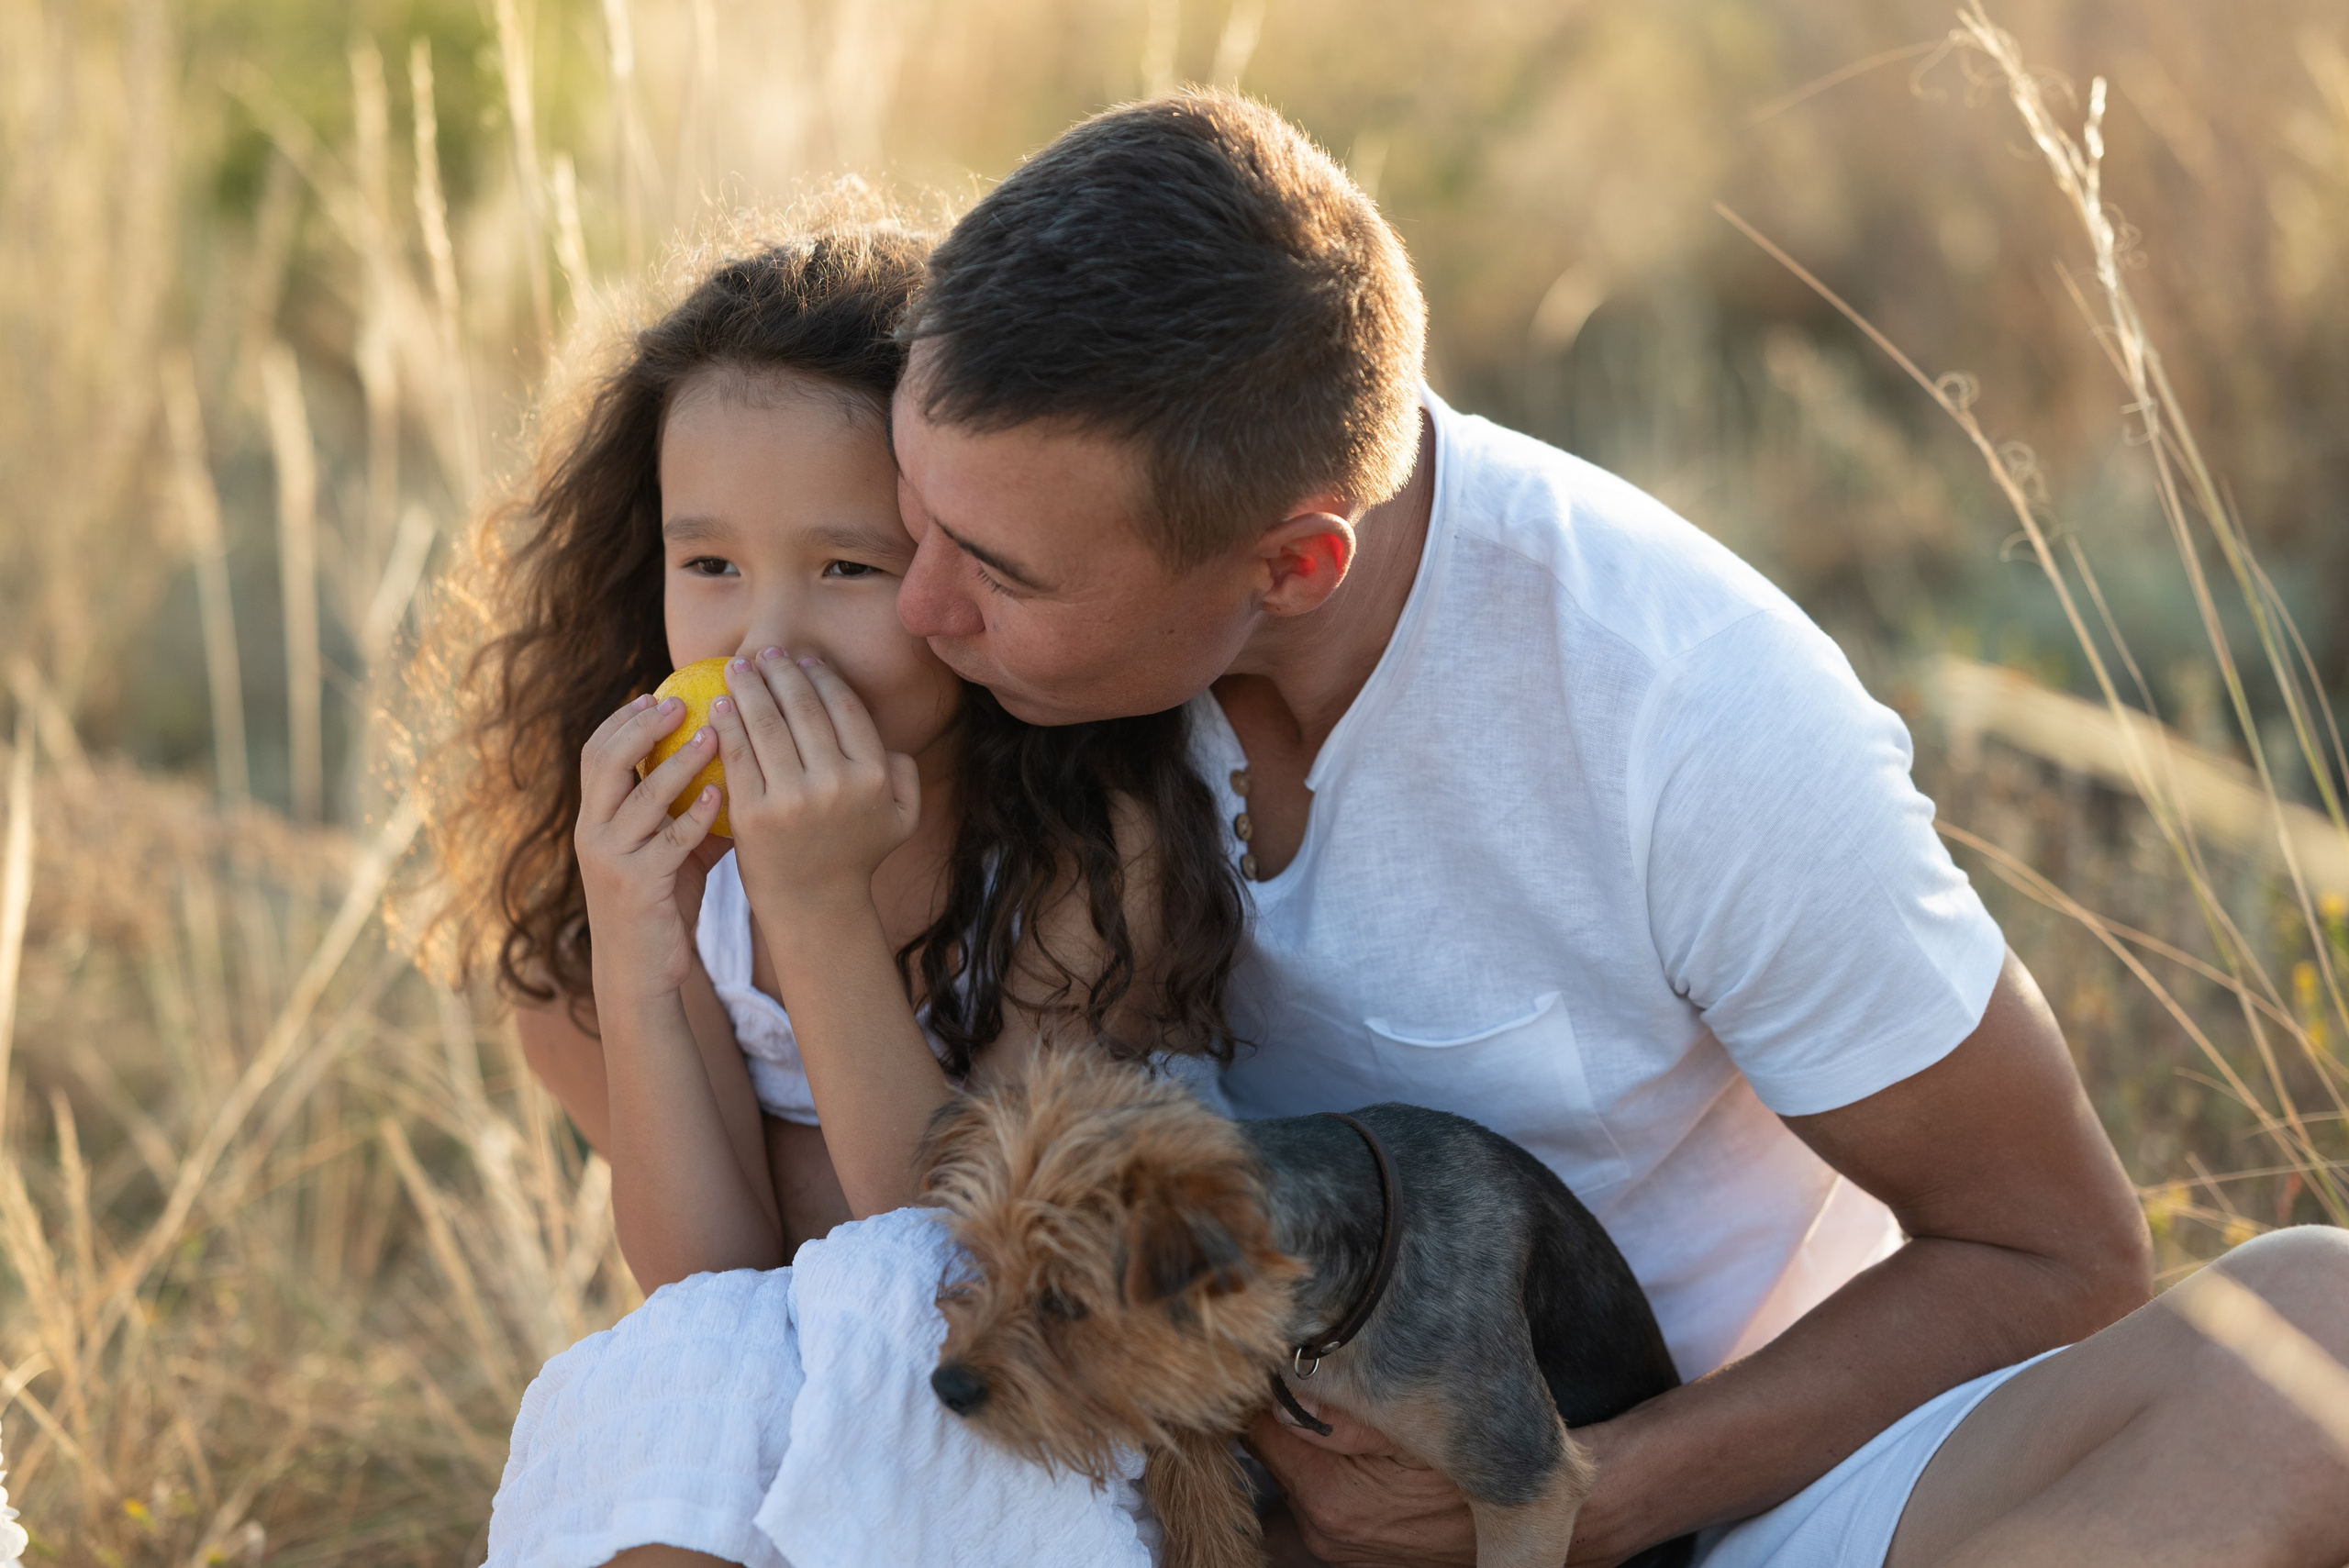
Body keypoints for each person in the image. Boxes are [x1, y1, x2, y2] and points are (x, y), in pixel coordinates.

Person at [874, 90, 2349, 1567]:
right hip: (1162, 1461)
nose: (919, 609)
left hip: (1728, 1494)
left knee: (2322, 1338)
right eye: (906, 516)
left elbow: (2055, 1252)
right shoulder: (967, 658)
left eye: (999, 570)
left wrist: (1578, 1497)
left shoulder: (1686, 712)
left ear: (1295, 563)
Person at [417, 210, 1244, 1349]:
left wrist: (813, 904)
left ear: (967, 571)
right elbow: (703, 1302)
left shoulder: (1086, 861)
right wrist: (636, 952)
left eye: (849, 566)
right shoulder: (640, 880)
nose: (764, 641)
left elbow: (958, 1274)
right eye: (709, 563)